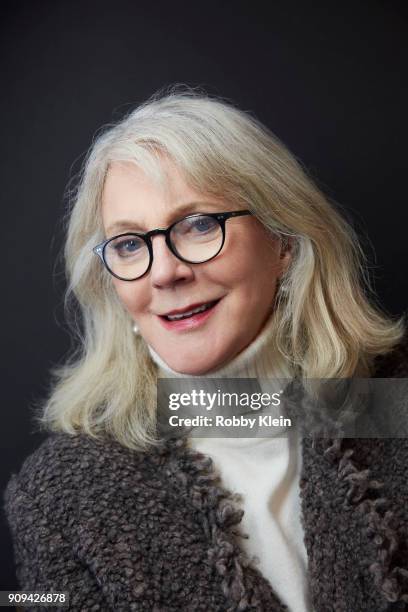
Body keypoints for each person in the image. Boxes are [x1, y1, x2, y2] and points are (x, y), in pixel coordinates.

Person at [3, 88, 408, 612]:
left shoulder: (393, 404)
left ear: (283, 242)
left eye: (198, 225)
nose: (165, 270)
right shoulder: (57, 497)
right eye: (130, 244)